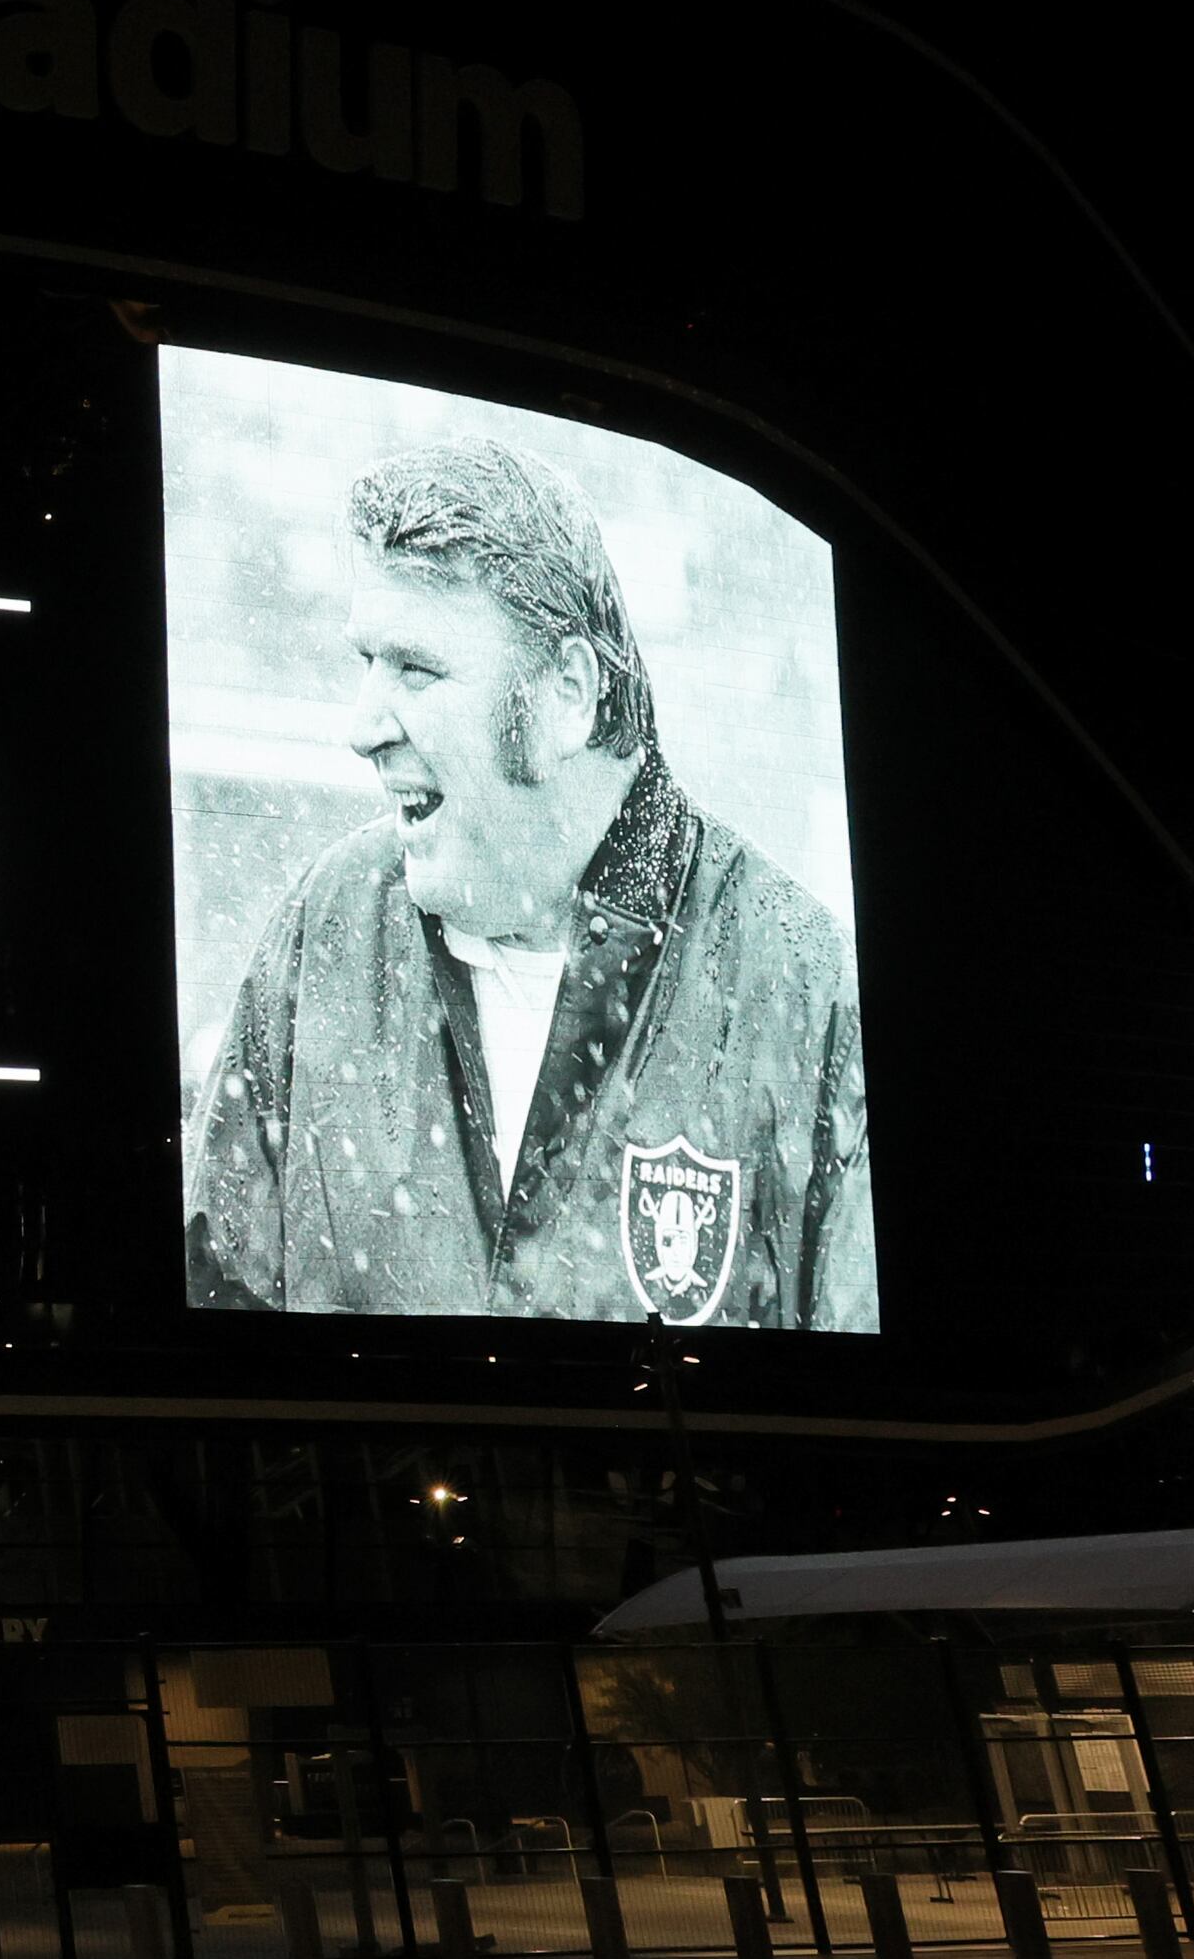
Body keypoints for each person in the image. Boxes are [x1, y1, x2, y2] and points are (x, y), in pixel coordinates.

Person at [187, 437, 874, 1328]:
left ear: (567, 693)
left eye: (417, 668)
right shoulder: (326, 932)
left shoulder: (801, 992)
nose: (361, 728)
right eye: (366, 661)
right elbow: (211, 1337)